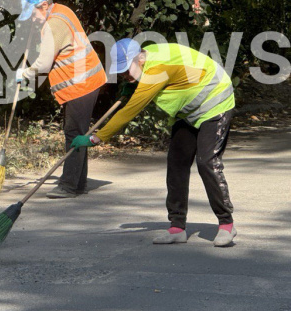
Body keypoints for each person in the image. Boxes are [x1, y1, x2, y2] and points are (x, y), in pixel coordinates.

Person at [72, 39, 237, 247]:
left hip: (216, 102)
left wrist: (95, 137)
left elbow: (129, 112)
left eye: (127, 71)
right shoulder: (146, 59)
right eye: (121, 73)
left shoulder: (156, 69)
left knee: (207, 162)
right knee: (177, 163)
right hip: (189, 111)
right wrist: (131, 85)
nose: (125, 76)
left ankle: (226, 224)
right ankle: (177, 228)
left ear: (140, 58)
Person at [15, 0, 106, 198]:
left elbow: (44, 63)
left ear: (44, 6)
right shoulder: (62, 10)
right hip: (87, 79)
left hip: (80, 84)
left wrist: (25, 73)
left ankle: (68, 186)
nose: (32, 20)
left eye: (33, 15)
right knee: (79, 133)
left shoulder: (53, 24)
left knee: (73, 134)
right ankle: (78, 183)